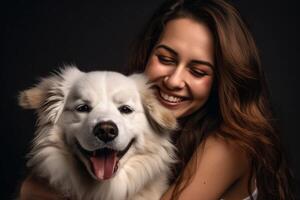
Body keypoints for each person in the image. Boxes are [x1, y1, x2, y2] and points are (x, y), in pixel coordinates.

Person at [20, 0, 294, 199]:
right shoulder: (141, 117)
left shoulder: (229, 145)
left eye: (198, 71)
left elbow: (36, 189)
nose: (174, 81)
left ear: (223, 79)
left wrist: (34, 190)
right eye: (165, 59)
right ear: (148, 52)